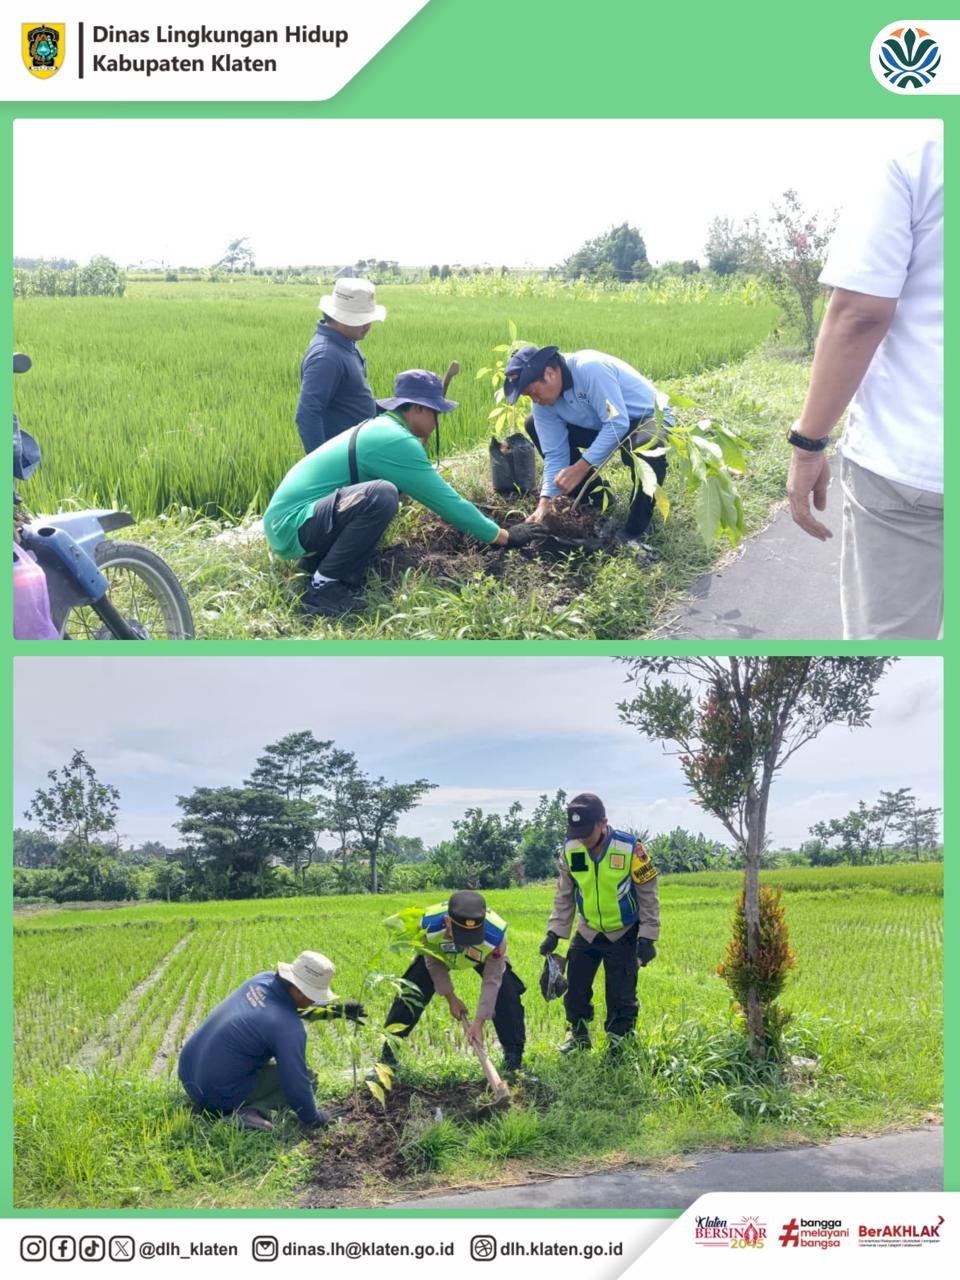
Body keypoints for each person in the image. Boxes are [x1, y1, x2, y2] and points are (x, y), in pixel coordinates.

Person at [786, 136, 943, 640]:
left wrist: (808, 444)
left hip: (915, 464)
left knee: (894, 647)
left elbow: (860, 313)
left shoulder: (918, 161)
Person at [265, 369, 527, 618]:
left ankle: (318, 564)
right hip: (291, 523)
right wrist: (503, 536)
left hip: (295, 520)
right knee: (382, 495)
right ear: (418, 408)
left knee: (383, 494)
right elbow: (448, 503)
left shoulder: (383, 427)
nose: (437, 421)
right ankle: (323, 588)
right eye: (435, 413)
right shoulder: (396, 440)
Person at [503, 345, 671, 545]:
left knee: (646, 446)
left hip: (644, 418)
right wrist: (545, 502)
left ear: (549, 374)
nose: (535, 400)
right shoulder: (542, 404)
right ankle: (595, 499)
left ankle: (636, 529)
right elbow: (555, 453)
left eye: (533, 393)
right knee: (533, 424)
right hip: (601, 424)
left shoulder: (590, 369)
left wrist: (580, 467)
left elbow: (617, 423)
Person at [178, 950, 363, 1132]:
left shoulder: (262, 980)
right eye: (314, 995)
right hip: (215, 1095)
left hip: (188, 1075)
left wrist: (336, 1010)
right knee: (308, 1078)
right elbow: (296, 1085)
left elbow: (284, 1007)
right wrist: (315, 1118)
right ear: (298, 990)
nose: (315, 1000)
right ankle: (248, 1112)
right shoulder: (288, 1028)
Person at [540, 793, 659, 1055]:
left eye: (587, 832)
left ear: (603, 823)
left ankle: (619, 1045)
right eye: (577, 832)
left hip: (624, 931)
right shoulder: (571, 850)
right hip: (588, 929)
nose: (582, 838)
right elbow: (564, 894)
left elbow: (648, 893)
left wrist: (648, 936)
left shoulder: (629, 848)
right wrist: (555, 932)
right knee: (575, 989)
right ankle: (579, 1037)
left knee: (620, 994)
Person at [379, 890, 528, 1078]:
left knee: (507, 991)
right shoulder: (429, 927)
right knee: (411, 990)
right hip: (439, 954)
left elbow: (492, 981)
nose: (466, 944)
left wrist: (479, 1022)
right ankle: (389, 1054)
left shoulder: (495, 937)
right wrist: (451, 998)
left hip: (481, 955)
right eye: (462, 936)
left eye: (472, 937)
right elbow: (434, 963)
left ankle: (514, 1059)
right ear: (448, 922)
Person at [295, 277, 385, 454]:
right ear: (340, 318)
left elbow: (351, 400)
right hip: (341, 456)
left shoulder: (346, 344)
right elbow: (307, 414)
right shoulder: (326, 356)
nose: (368, 326)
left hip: (357, 451)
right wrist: (322, 464)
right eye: (361, 320)